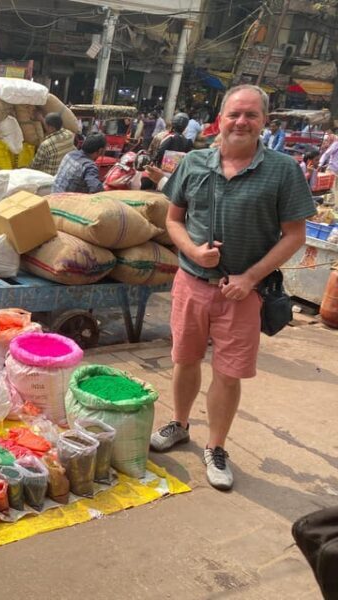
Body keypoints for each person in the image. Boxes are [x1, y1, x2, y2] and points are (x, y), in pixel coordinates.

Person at [149, 84, 315, 491]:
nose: (241, 122)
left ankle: (216, 446)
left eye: (251, 115)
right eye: (234, 114)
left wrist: (250, 278)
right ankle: (179, 423)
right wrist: (193, 250)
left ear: (264, 122)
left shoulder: (283, 170)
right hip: (191, 282)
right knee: (184, 359)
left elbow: (295, 234)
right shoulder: (193, 163)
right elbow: (173, 220)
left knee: (227, 373)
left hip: (242, 293)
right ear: (219, 120)